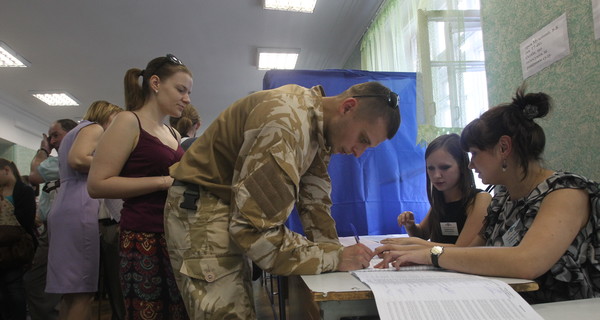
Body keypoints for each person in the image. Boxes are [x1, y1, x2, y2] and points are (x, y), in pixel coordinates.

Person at [164, 81, 401, 318]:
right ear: (348, 107)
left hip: (221, 206)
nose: (358, 152)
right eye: (363, 139)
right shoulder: (286, 125)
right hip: (202, 211)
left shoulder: (315, 124)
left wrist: (338, 256)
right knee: (227, 314)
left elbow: (315, 201)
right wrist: (334, 257)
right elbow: (255, 232)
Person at [374, 85, 600, 303]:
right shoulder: (503, 199)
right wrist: (414, 250)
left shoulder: (565, 193)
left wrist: (429, 254)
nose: (471, 165)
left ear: (503, 148)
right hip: (505, 300)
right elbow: (473, 252)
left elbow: (527, 262)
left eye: (474, 153)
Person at [87, 54, 192, 319]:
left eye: (188, 92)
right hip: (144, 236)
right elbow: (97, 185)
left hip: (176, 235)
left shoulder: (173, 133)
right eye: (181, 90)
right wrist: (164, 182)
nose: (187, 99)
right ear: (155, 83)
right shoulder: (127, 121)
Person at [45, 100, 122, 319]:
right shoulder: (94, 128)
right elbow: (78, 159)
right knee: (82, 292)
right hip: (80, 207)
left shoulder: (74, 132)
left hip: (66, 205)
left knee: (69, 292)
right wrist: (114, 161)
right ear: (108, 116)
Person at [383, 133, 491, 247]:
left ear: (462, 166)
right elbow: (422, 234)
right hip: (437, 264)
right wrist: (410, 225)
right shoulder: (440, 200)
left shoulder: (480, 199)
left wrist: (415, 243)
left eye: (445, 167)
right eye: (431, 168)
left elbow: (461, 250)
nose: (436, 175)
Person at [24, 119, 77, 320]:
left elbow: (34, 175)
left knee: (42, 283)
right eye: (50, 137)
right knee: (45, 284)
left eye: (56, 135)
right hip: (51, 228)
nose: (52, 140)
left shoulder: (67, 159)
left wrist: (43, 149)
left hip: (61, 230)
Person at [0, 158, 37, 320]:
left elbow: (27, 221)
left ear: (6, 170)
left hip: (16, 249)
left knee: (15, 290)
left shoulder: (25, 191)